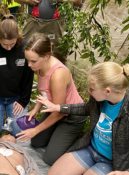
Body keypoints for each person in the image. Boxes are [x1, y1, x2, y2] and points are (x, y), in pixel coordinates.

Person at [36, 62, 129, 175]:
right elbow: (86, 108)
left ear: (107, 91)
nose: (89, 91)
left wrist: (128, 172)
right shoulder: (99, 99)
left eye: (92, 89)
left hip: (112, 162)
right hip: (90, 148)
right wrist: (57, 107)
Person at [16, 33, 86, 166]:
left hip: (71, 114)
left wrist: (35, 130)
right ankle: (56, 133)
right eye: (28, 60)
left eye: (33, 61)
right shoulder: (39, 66)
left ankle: (80, 142)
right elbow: (44, 91)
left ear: (46, 56)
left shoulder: (58, 75)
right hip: (53, 107)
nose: (29, 64)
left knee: (50, 158)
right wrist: (36, 109)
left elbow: (59, 112)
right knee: (36, 142)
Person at [0, 15, 34, 138]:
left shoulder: (25, 48)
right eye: (5, 45)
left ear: (17, 37)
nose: (9, 48)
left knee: (18, 132)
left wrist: (23, 101)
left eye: (12, 44)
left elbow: (28, 77)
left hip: (16, 98)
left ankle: (9, 114)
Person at [14, 0, 82, 64]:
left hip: (55, 25)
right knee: (25, 52)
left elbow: (78, 2)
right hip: (33, 23)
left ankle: (54, 75)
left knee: (56, 56)